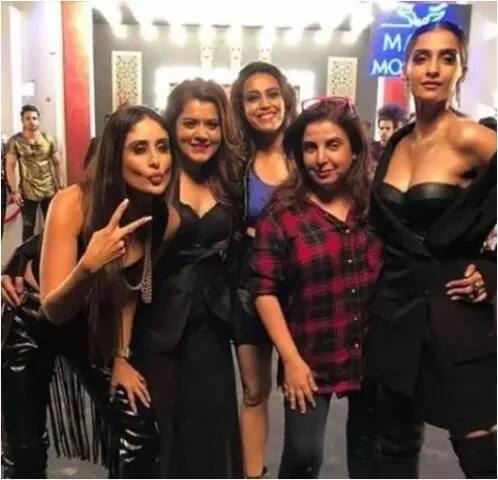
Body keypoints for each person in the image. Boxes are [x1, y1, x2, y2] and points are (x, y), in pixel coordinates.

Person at [7, 105, 174, 479]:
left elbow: (130, 291)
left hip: (90, 324)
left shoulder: (163, 216)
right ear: (115, 157)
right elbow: (53, 311)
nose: (156, 161)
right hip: (34, 318)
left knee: (141, 434)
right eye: (140, 149)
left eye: (163, 147)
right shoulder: (73, 202)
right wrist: (88, 266)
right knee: (24, 452)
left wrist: (121, 355)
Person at [365, 21, 497, 478]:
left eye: (447, 58)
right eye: (422, 58)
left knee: (481, 453)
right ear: (405, 69)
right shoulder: (397, 142)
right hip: (396, 312)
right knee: (395, 451)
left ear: (463, 70)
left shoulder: (472, 137)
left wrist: (491, 270)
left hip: (454, 311)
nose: (434, 69)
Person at [249, 96, 382, 478]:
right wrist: (290, 361)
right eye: (310, 147)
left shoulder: (374, 206)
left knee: (368, 454)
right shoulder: (283, 212)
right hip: (309, 354)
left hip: (372, 352)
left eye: (333, 145)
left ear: (354, 151)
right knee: (304, 455)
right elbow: (263, 290)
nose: (321, 158)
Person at [130, 78, 243, 478]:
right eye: (190, 123)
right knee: (161, 439)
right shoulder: (155, 174)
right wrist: (23, 259)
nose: (201, 134)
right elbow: (88, 208)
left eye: (211, 124)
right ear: (172, 125)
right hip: (157, 326)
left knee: (210, 434)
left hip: (212, 325)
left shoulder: (228, 177)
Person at [229, 61, 296, 478]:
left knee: (300, 391)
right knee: (255, 392)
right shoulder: (235, 162)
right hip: (250, 287)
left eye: (271, 94)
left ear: (285, 97)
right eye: (252, 97)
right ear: (241, 107)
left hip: (303, 289)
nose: (264, 104)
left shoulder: (308, 151)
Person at [5, 105, 63, 241]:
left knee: (52, 226)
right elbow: (10, 166)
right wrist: (14, 191)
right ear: (22, 120)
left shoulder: (48, 139)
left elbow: (57, 163)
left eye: (34, 118)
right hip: (27, 191)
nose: (32, 121)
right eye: (28, 119)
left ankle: (50, 253)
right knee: (28, 228)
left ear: (39, 120)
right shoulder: (15, 141)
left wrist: (60, 186)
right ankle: (27, 255)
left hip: (49, 189)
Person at [368, 104, 406, 181]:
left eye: (388, 129)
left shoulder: (401, 152)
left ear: (395, 130)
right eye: (381, 128)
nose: (383, 132)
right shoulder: (371, 150)